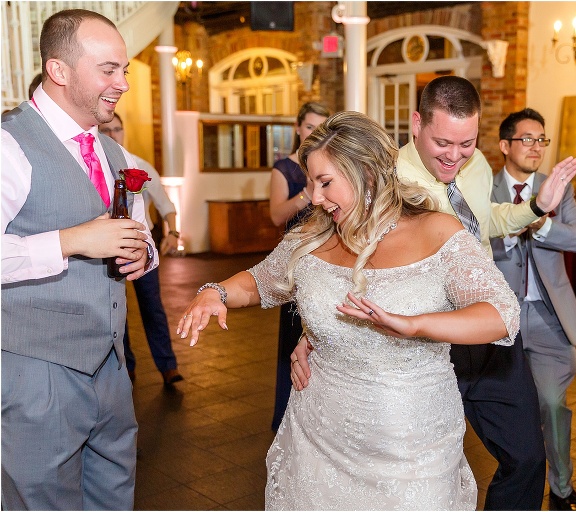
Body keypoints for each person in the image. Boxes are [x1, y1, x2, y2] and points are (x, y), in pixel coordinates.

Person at [177, 111, 522, 509]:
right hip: (319, 435)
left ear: (367, 173)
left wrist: (414, 325)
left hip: (411, 445)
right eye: (311, 184)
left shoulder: (438, 232)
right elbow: (258, 281)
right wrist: (215, 292)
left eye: (325, 183)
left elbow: (502, 314)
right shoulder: (311, 237)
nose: (315, 198)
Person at [291, 75, 576, 510]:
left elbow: (486, 221)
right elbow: (346, 253)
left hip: (483, 329)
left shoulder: (476, 166)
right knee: (415, 470)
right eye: (443, 142)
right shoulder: (384, 179)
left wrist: (537, 207)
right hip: (417, 343)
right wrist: (315, 331)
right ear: (416, 124)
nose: (455, 155)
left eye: (466, 143)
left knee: (526, 457)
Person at [1, 8, 157, 510]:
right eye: (108, 70)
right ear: (59, 71)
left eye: (124, 70)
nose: (123, 83)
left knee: (114, 493)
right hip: (36, 371)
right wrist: (71, 241)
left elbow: (139, 231)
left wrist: (144, 251)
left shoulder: (112, 153)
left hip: (110, 366)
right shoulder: (9, 145)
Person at [490, 108, 576, 511]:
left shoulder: (558, 188)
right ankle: (520, 486)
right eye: (527, 139)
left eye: (541, 139)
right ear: (505, 145)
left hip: (550, 318)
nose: (536, 147)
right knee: (510, 413)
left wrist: (542, 223)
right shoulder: (483, 189)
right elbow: (471, 242)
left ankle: (562, 488)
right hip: (501, 319)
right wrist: (513, 226)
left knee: (551, 404)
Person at [99, 112, 184, 385]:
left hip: (139, 245)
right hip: (106, 247)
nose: (112, 135)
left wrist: (173, 233)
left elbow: (165, 205)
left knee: (152, 306)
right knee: (116, 309)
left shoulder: (139, 166)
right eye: (106, 130)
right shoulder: (95, 167)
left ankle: (168, 366)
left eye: (117, 129)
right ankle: (126, 366)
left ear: (124, 132)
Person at [268, 101, 330, 431]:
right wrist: (308, 192)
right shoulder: (285, 168)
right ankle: (288, 417)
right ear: (297, 128)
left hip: (329, 257)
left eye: (321, 127)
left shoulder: (331, 163)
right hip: (296, 261)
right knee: (295, 337)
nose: (314, 133)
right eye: (309, 127)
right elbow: (276, 215)